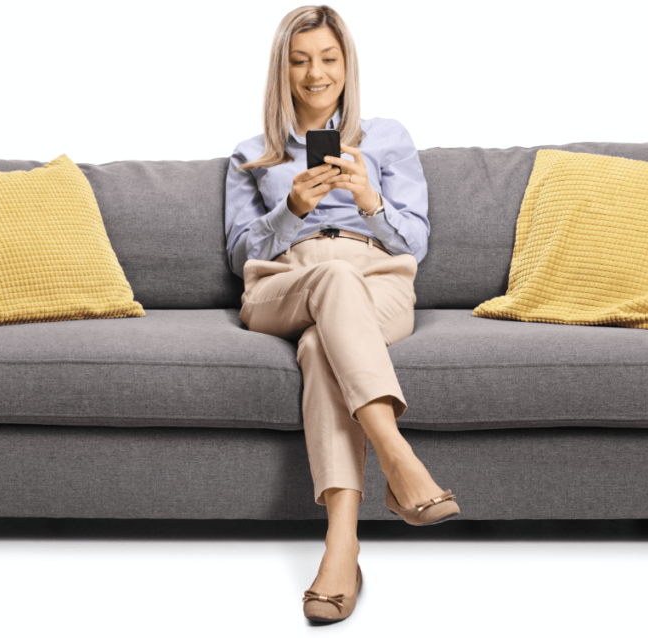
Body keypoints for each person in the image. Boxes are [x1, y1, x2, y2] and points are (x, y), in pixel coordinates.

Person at [224, 5, 459, 622]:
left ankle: (341, 549)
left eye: (328, 59)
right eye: (300, 61)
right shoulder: (252, 154)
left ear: (347, 65)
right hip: (286, 281)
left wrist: (369, 199)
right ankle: (399, 459)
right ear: (282, 70)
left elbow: (415, 243)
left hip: (376, 279)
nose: (314, 73)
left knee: (317, 349)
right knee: (328, 276)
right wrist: (289, 213)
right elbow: (237, 254)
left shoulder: (387, 139)